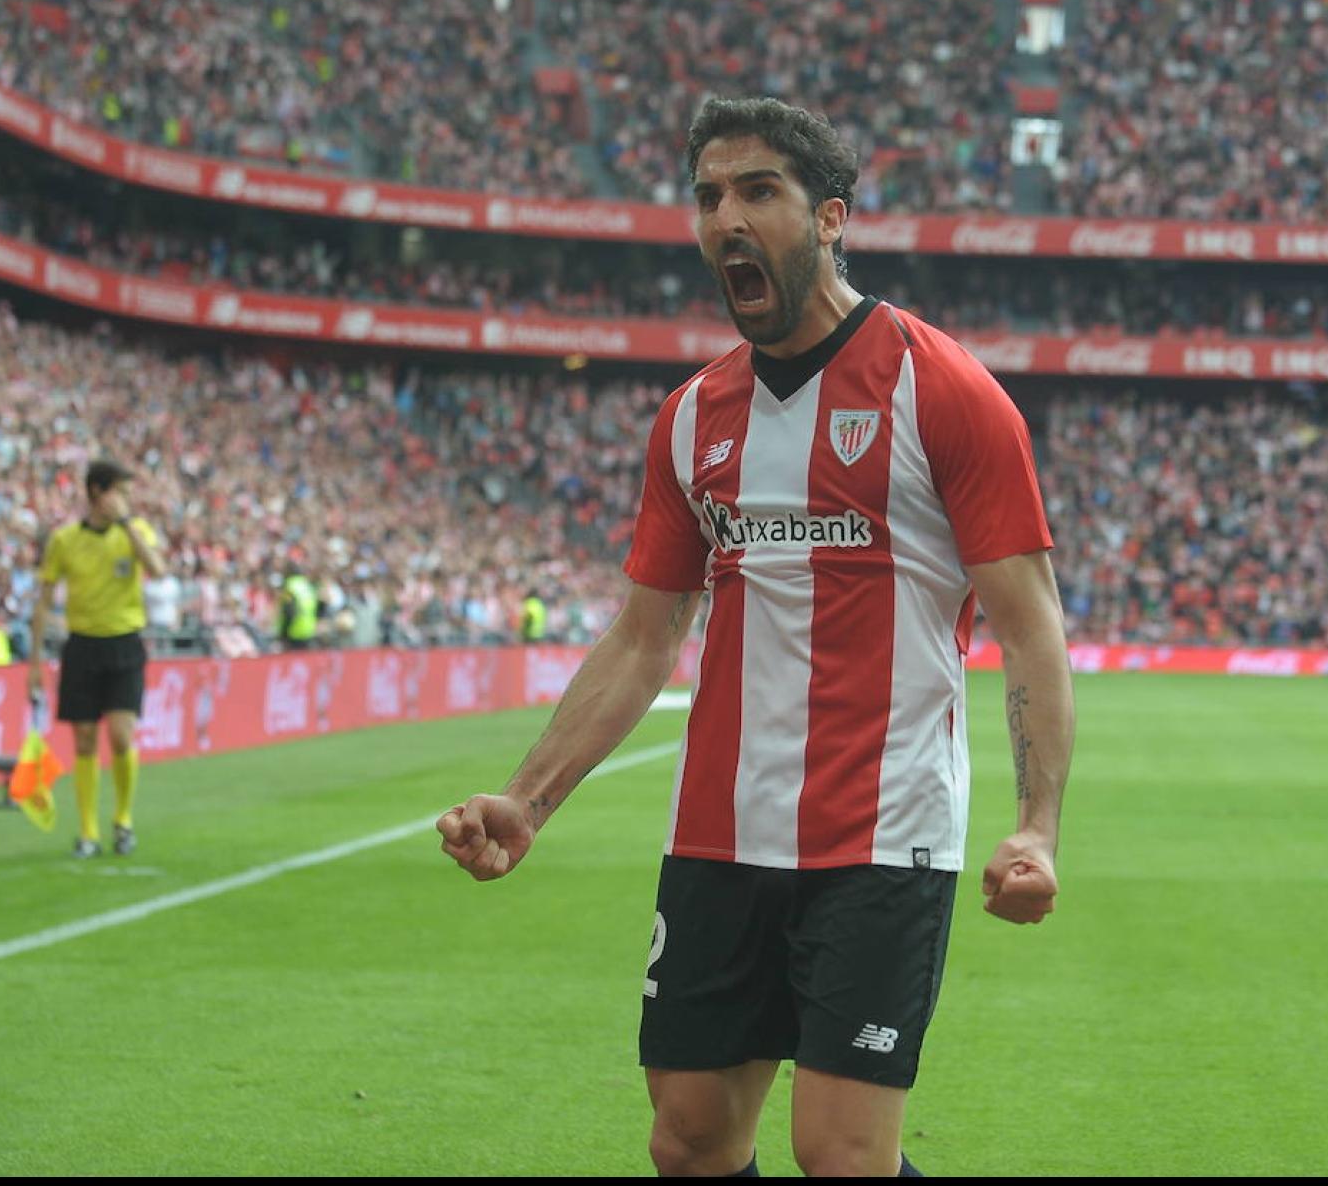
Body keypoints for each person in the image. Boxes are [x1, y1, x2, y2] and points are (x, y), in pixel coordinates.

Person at [437, 98, 1075, 1177]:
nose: (725, 217)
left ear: (829, 217)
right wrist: (530, 798)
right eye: (707, 196)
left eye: (757, 192)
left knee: (840, 1155)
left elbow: (1030, 624)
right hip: (719, 830)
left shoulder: (941, 389)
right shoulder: (691, 419)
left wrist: (1037, 826)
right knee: (688, 1140)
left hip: (882, 832)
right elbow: (645, 638)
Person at [28, 460, 171, 858]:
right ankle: (88, 831)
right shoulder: (64, 539)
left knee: (122, 735)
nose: (127, 500)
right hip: (82, 645)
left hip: (125, 643)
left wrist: (126, 525)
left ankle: (123, 820)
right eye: (121, 492)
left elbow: (158, 570)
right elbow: (42, 603)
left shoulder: (135, 531)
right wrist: (35, 664)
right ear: (96, 492)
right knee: (85, 739)